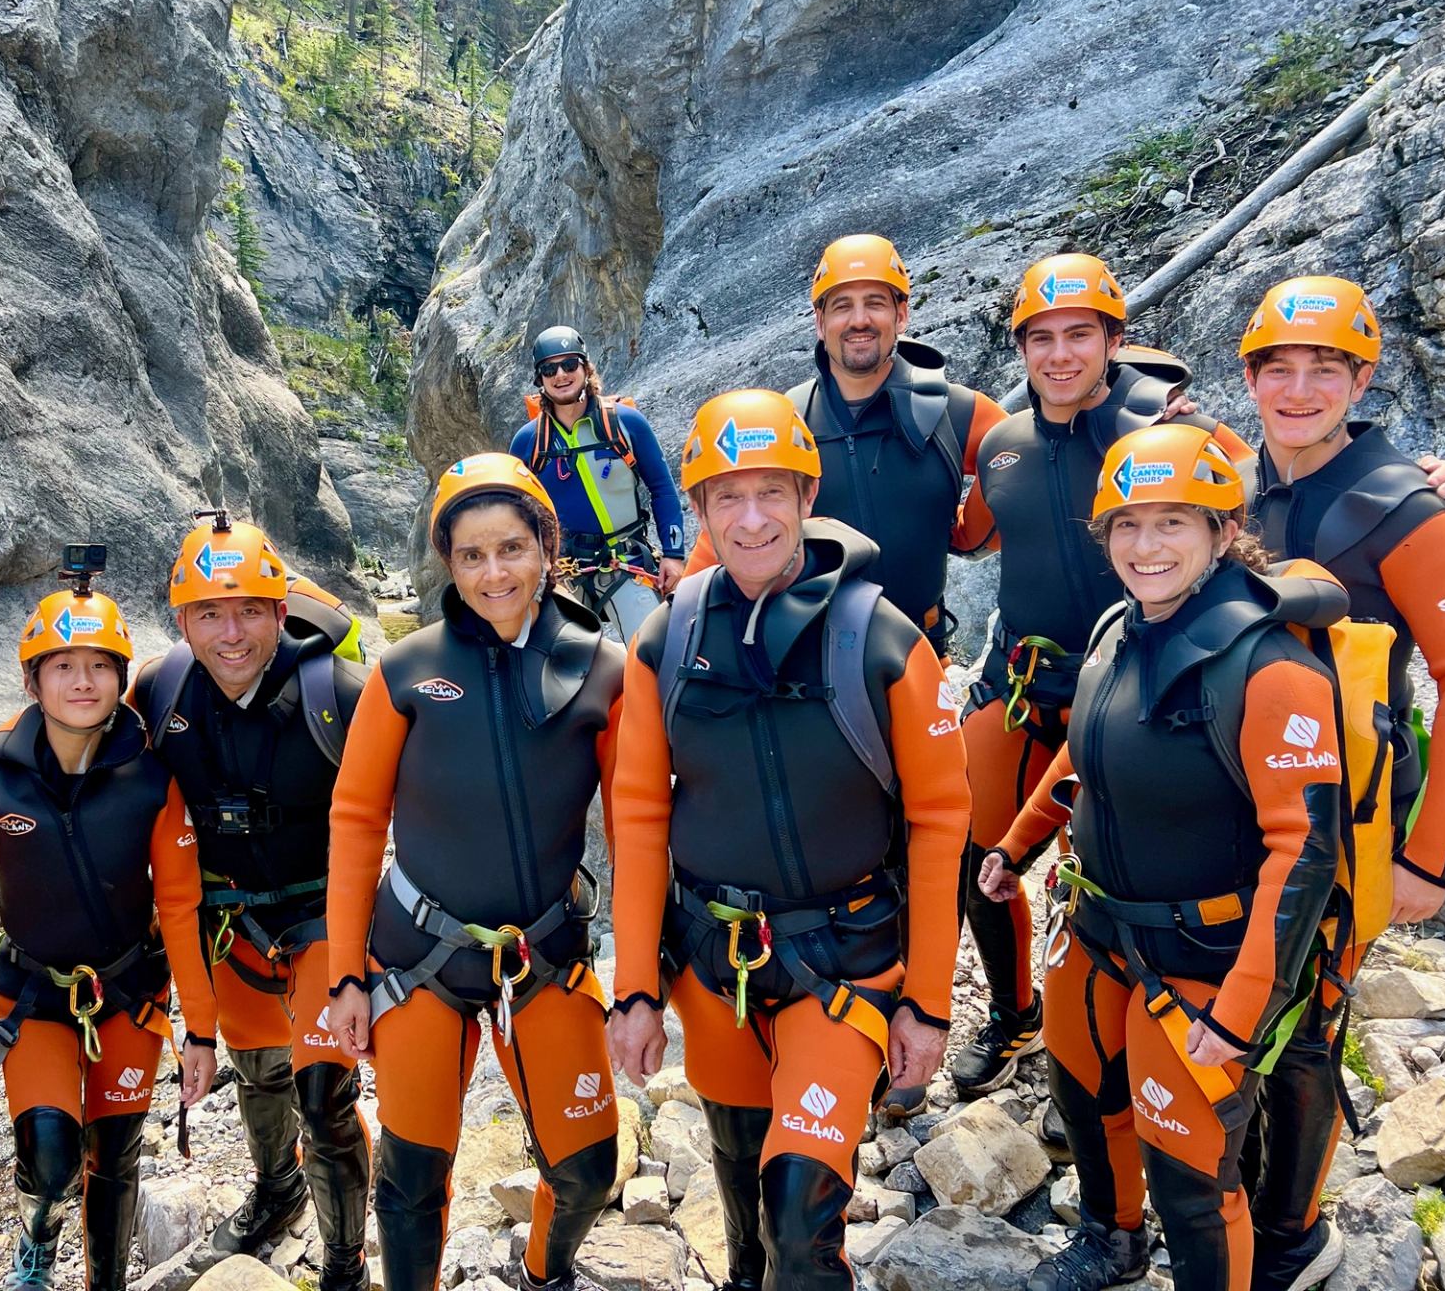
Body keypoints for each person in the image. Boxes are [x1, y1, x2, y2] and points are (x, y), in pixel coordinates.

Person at [608, 389, 972, 1291]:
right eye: (726, 495)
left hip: (843, 957)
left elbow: (939, 825)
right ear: (695, 511)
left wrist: (926, 1004)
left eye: (772, 490)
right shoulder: (667, 639)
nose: (752, 516)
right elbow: (641, 816)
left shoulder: (881, 638)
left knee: (800, 1209)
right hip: (711, 956)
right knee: (738, 1171)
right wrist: (635, 987)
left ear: (809, 497)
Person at [979, 422, 1341, 1291]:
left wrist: (1242, 1013)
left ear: (1223, 531)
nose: (1147, 547)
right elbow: (1085, 754)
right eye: (1128, 525)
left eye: (1174, 523)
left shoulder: (1270, 666)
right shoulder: (1117, 627)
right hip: (1099, 927)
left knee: (1192, 1174)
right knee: (1083, 1093)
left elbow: (1306, 850)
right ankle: (1111, 1240)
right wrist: (1018, 843)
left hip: (1202, 963)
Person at [953, 253, 1255, 1099]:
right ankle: (1017, 1018)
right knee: (979, 853)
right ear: (1019, 348)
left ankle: (1108, 1051)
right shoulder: (1005, 445)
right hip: (1022, 679)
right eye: (1040, 337)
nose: (1059, 354)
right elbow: (973, 534)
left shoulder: (1159, 426)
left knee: (1105, 866)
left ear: (1115, 338)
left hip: (1132, 684)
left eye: (1079, 334)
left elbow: (1254, 497)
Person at [325, 454, 624, 1291]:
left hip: (547, 946)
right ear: (447, 563)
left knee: (589, 1171)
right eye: (471, 555)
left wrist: (642, 973)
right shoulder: (406, 671)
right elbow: (355, 824)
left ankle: (545, 1275)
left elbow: (640, 825)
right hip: (420, 954)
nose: (494, 573)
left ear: (547, 548)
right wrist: (347, 972)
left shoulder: (602, 669)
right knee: (409, 1182)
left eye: (512, 549)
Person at [1228, 276, 1445, 1291]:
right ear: (1249, 378)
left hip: (1354, 815)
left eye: (1325, 367)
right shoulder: (1237, 488)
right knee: (1239, 1000)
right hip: (1240, 801)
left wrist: (1431, 853)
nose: (1299, 387)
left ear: (1362, 377)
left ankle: (1295, 1234)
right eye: (1278, 367)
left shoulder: (1401, 506)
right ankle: (1228, 1196)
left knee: (1308, 1021)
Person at [0, 564, 219, 1290]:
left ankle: (106, 1280)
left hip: (130, 994)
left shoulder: (153, 784)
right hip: (32, 997)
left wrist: (202, 1031)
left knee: (114, 1156)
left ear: (121, 679)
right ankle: (40, 1233)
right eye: (63, 667)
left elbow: (179, 907)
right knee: (50, 1155)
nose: (83, 683)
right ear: (33, 682)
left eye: (99, 667)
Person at [131, 511, 372, 1291]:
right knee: (258, 1072)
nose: (230, 634)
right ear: (182, 623)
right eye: (209, 614)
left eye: (248, 612)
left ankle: (343, 1260)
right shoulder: (159, 695)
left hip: (321, 918)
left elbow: (419, 799)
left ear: (279, 611)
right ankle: (277, 1191)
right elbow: (80, 758)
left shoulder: (336, 692)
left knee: (322, 1095)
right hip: (227, 921)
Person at [685, 234, 1006, 662]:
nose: (859, 320)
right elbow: (720, 540)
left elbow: (1023, 468)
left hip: (925, 655)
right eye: (841, 305)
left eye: (875, 302)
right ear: (820, 322)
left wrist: (966, 532)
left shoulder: (959, 412)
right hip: (809, 662)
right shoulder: (784, 423)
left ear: (902, 314)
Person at [511, 325, 686, 639]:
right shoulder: (528, 441)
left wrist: (674, 554)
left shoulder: (625, 423)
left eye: (569, 365)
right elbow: (514, 515)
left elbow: (662, 488)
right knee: (560, 668)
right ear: (540, 378)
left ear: (585, 367)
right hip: (562, 573)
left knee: (654, 652)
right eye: (550, 368)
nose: (561, 374)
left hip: (625, 561)